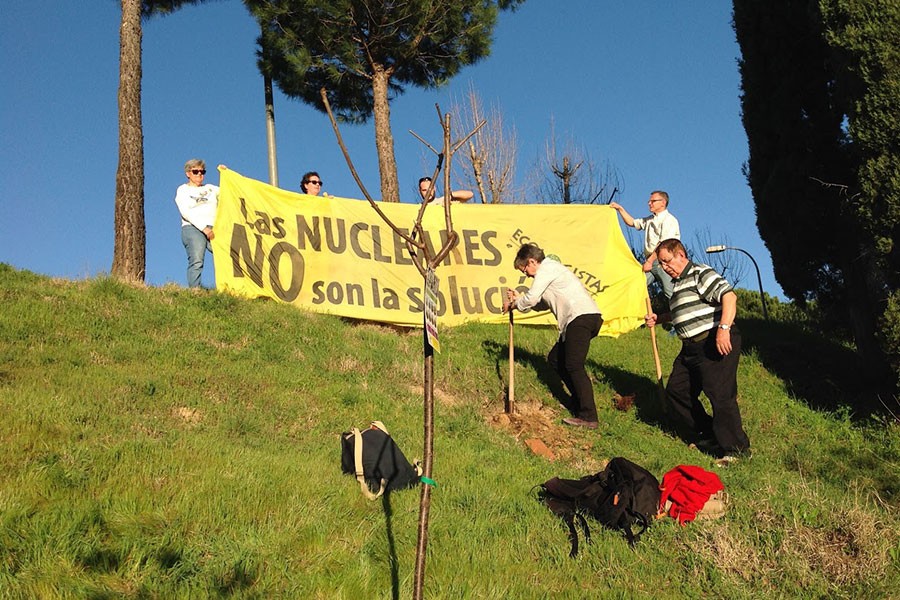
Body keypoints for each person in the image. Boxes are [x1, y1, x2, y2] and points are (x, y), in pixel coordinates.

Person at [645, 238, 750, 463]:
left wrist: (724, 328)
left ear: (681, 255)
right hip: (690, 348)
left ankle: (736, 449)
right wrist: (659, 317)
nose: (664, 267)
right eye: (661, 264)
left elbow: (729, 296)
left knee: (719, 393)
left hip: (713, 339)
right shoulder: (677, 286)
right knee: (676, 390)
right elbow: (681, 312)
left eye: (667, 261)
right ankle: (708, 434)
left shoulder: (699, 272)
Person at [503, 243, 603, 429]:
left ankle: (589, 416)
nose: (526, 274)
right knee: (556, 359)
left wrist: (515, 304)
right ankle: (578, 403)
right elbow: (540, 303)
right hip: (575, 321)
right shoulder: (549, 274)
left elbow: (532, 298)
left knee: (573, 364)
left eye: (525, 269)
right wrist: (518, 299)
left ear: (532, 261)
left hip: (580, 318)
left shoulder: (548, 268)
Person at [609, 190, 680, 299]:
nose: (649, 203)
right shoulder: (650, 219)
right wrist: (620, 209)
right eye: (649, 201)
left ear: (663, 203)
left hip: (664, 261)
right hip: (651, 262)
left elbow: (664, 245)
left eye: (653, 201)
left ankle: (684, 312)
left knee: (670, 292)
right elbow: (632, 223)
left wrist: (649, 262)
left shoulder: (669, 220)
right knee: (636, 285)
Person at [174, 159, 218, 288]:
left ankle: (228, 288)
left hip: (213, 227)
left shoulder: (211, 188)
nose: (199, 174)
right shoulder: (183, 190)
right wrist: (203, 228)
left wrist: (225, 172)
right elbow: (186, 212)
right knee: (197, 259)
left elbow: (228, 191)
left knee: (225, 255)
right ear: (188, 173)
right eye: (195, 171)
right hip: (192, 228)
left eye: (202, 172)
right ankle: (195, 290)